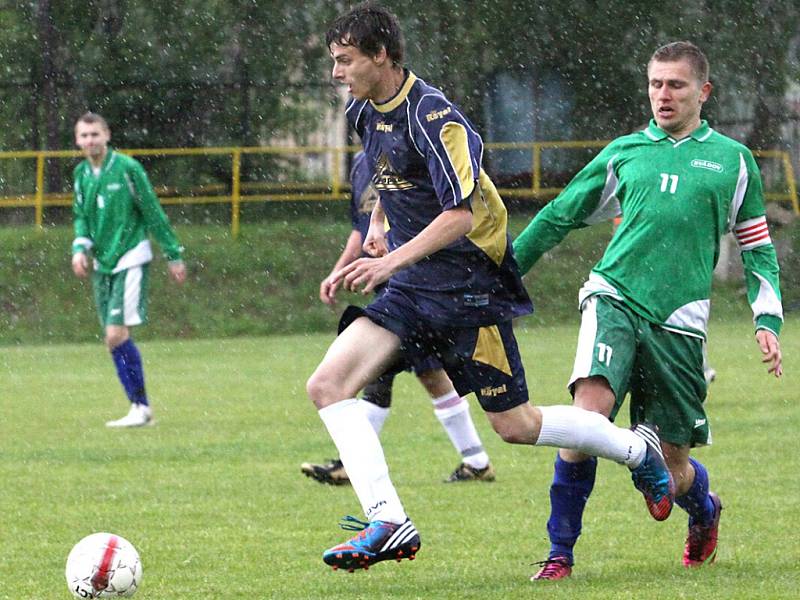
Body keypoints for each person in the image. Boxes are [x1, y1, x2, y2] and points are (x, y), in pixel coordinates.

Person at [308, 3, 675, 574]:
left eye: (345, 60)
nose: (337, 73)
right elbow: (386, 184)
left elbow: (458, 214)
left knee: (516, 425)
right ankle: (388, 520)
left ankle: (634, 449)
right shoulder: (364, 112)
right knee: (328, 385)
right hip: (409, 290)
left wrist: (387, 263)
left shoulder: (438, 119)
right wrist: (380, 232)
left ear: (380, 55)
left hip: (466, 294)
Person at [513, 41, 783, 580]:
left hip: (681, 323)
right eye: (656, 84)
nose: (663, 94)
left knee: (676, 468)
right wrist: (501, 275)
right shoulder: (625, 151)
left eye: (676, 85)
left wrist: (766, 319)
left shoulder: (733, 161)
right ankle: (559, 554)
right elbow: (560, 214)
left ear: (702, 92)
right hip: (613, 296)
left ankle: (703, 509)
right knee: (586, 420)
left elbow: (758, 249)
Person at [302, 151, 496, 484]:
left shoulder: (413, 153)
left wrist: (400, 258)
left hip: (416, 286)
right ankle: (476, 462)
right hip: (387, 286)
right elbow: (359, 231)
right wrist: (337, 271)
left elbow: (447, 217)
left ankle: (353, 465)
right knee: (423, 375)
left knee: (387, 373)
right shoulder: (363, 163)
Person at [71, 112, 186, 428]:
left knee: (115, 333)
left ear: (107, 135)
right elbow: (81, 215)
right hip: (102, 262)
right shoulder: (81, 174)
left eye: (95, 134)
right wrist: (79, 248)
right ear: (77, 140)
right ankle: (139, 407)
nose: (90, 140)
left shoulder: (127, 169)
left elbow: (151, 211)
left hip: (130, 256)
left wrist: (173, 254)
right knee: (113, 338)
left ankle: (140, 407)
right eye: (84, 136)